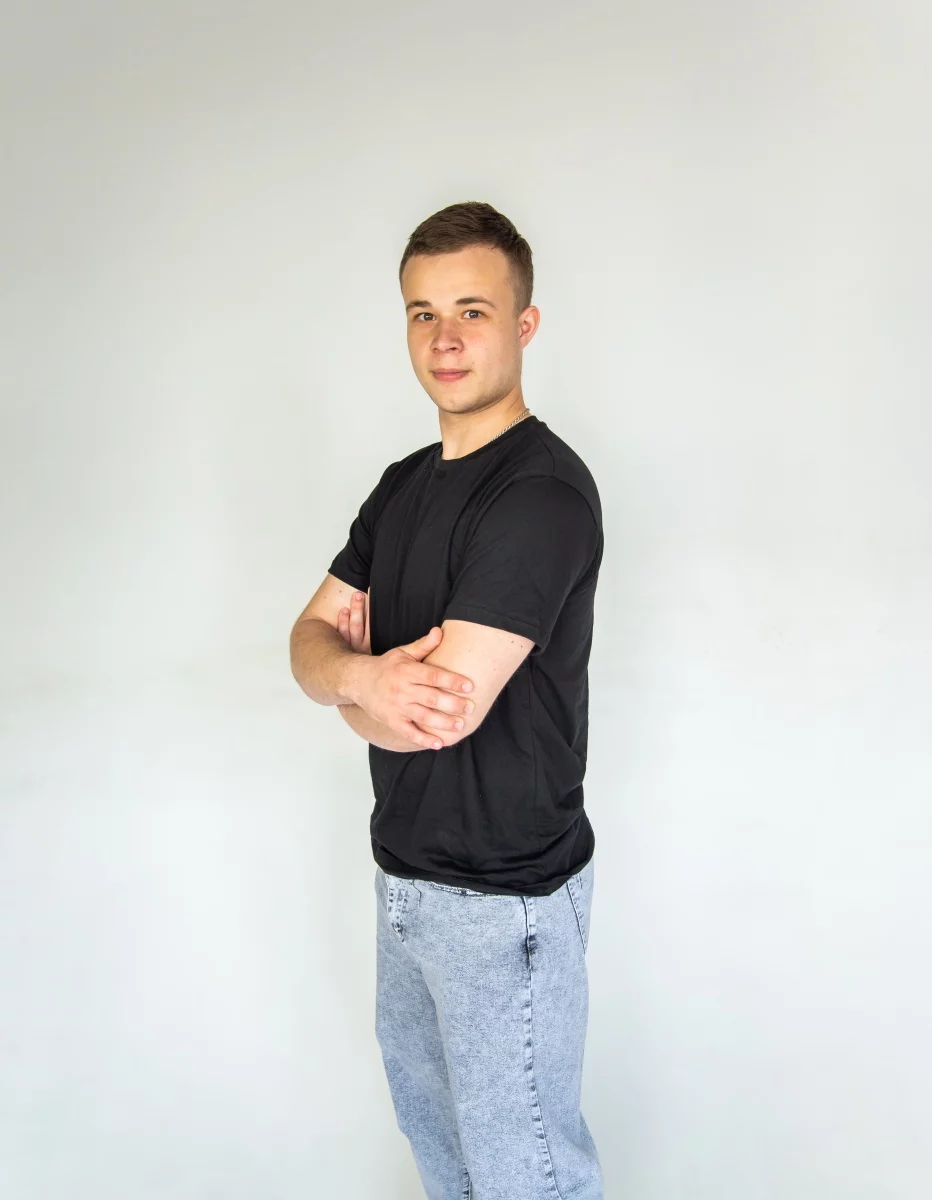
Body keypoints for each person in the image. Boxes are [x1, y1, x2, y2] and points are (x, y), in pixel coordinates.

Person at [289, 201, 605, 1199]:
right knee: (447, 1168)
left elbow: (439, 714)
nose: (445, 339)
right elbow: (305, 645)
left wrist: (360, 684)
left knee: (526, 1179)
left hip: (504, 904)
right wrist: (361, 679)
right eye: (422, 313)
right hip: (405, 881)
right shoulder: (400, 487)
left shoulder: (541, 496)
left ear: (524, 324)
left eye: (473, 310)